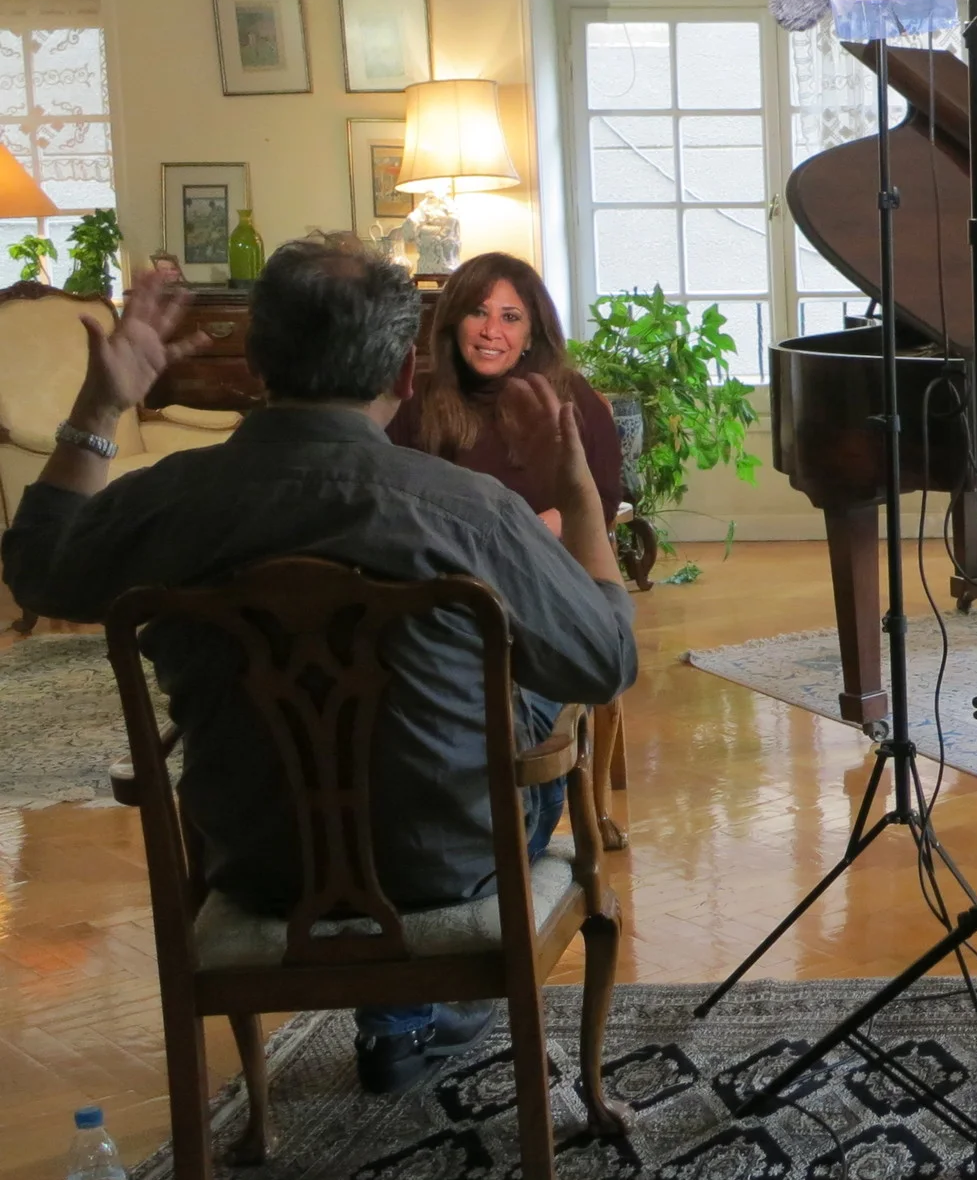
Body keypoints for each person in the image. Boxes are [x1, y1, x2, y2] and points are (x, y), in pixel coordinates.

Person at [1, 241, 638, 1093]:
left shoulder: (169, 500)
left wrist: (103, 404)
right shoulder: (470, 513)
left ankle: (399, 1017)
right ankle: (424, 1003)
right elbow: (606, 660)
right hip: (446, 869)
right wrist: (581, 495)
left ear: (256, 361)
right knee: (540, 703)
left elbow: (37, 570)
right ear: (406, 371)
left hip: (253, 865)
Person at [386, 252, 623, 529]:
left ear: (531, 335)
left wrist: (520, 535)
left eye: (510, 317)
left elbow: (603, 498)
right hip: (444, 552)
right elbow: (388, 497)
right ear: (454, 323)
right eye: (477, 312)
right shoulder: (413, 397)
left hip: (543, 549)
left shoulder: (570, 394)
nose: (491, 331)